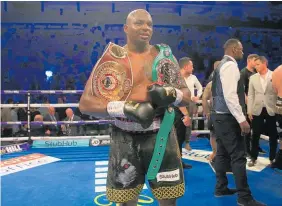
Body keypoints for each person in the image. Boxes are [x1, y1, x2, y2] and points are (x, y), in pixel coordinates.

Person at [79, 9, 191, 206]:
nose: (145, 28)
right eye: (139, 23)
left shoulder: (164, 57)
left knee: (168, 198)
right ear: (125, 28)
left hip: (162, 134)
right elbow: (86, 105)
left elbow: (187, 97)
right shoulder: (112, 59)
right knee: (126, 200)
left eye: (149, 24)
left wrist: (172, 94)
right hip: (125, 137)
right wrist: (126, 108)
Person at [211, 38, 266, 206]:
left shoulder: (221, 65)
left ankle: (221, 187)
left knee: (221, 153)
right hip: (228, 117)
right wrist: (242, 120)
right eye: (241, 49)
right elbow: (230, 96)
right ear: (234, 49)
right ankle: (244, 197)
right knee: (238, 156)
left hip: (219, 116)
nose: (243, 52)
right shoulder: (230, 66)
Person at [247, 56, 278, 167]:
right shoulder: (253, 78)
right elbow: (251, 95)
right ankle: (253, 157)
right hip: (257, 109)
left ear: (265, 63)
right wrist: (249, 110)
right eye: (255, 65)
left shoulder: (274, 75)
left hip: (271, 108)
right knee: (255, 134)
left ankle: (273, 158)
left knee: (273, 135)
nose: (256, 67)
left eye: (258, 64)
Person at [240, 54, 265, 156]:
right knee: (248, 128)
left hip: (257, 105)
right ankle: (246, 150)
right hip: (247, 105)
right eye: (255, 61)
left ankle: (256, 147)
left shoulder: (256, 72)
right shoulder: (243, 73)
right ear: (249, 61)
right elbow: (242, 91)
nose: (256, 63)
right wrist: (248, 105)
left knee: (257, 128)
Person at [178, 57, 203, 151]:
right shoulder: (177, 78)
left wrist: (198, 96)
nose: (193, 68)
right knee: (178, 125)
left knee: (188, 124)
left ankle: (187, 143)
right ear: (185, 66)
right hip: (178, 104)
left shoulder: (193, 77)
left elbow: (200, 88)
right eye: (191, 66)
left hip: (190, 103)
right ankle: (177, 146)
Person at [271, 65, 282, 170]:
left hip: (279, 105)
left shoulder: (276, 71)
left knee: (281, 134)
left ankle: (279, 161)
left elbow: (274, 89)